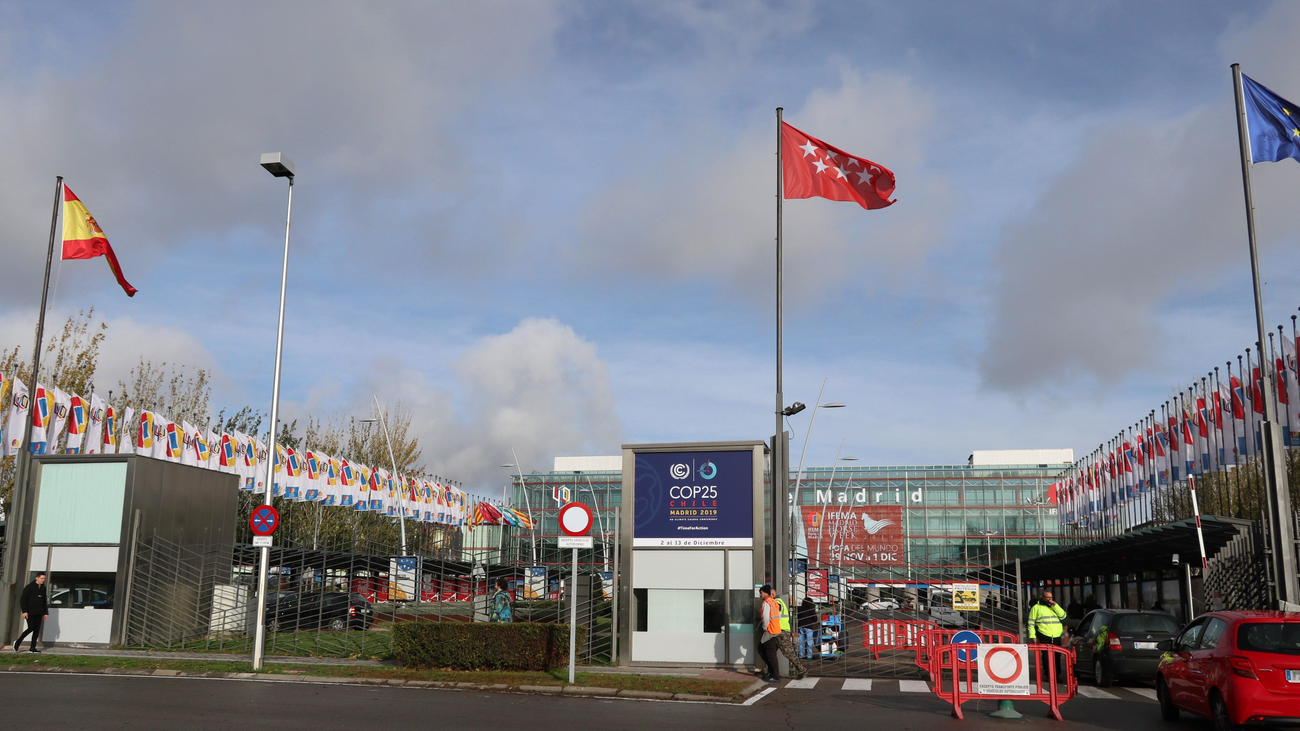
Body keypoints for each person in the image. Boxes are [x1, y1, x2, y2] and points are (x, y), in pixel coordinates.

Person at [1028, 590, 1066, 680]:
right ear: (1043, 598)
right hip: (1044, 634)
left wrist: (1055, 606)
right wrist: (1033, 636)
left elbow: (1063, 616)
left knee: (1057, 656)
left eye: (1051, 597)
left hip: (1056, 635)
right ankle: (1048, 674)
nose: (1050, 599)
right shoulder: (1036, 608)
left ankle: (1056, 675)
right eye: (1048, 597)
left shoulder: (1054, 607)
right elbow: (1031, 623)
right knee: (1046, 656)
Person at [774, 592, 807, 680]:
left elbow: (774, 617)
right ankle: (767, 671)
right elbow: (788, 619)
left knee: (788, 653)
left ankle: (801, 669)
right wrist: (791, 631)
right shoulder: (781, 602)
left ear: (772, 594)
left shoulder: (776, 603)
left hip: (781, 632)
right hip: (781, 631)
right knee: (770, 652)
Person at [14, 573, 48, 653]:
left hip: (39, 612)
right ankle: (18, 642)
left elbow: (44, 601)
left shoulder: (43, 588)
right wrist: (24, 611)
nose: (43, 580)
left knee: (36, 630)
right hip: (30, 612)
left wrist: (45, 612)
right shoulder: (29, 587)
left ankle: (32, 648)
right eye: (41, 578)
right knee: (31, 628)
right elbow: (23, 600)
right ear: (37, 578)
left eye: (44, 579)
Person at [758, 585, 782, 682]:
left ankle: (775, 675)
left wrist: (765, 628)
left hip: (770, 630)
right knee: (765, 651)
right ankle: (772, 672)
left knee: (769, 653)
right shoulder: (774, 602)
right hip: (775, 629)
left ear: (765, 593)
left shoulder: (766, 603)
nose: (760, 595)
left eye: (761, 592)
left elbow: (766, 618)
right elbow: (778, 616)